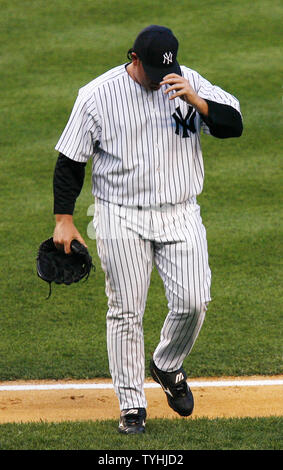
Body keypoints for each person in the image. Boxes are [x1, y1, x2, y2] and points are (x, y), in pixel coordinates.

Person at [52, 25, 243, 434]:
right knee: (125, 310)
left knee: (194, 300)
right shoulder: (96, 96)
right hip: (120, 214)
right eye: (152, 70)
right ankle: (131, 406)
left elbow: (234, 124)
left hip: (180, 211)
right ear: (133, 59)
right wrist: (64, 221)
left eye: (166, 70)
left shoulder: (187, 83)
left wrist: (199, 101)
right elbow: (70, 161)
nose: (160, 79)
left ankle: (167, 365)